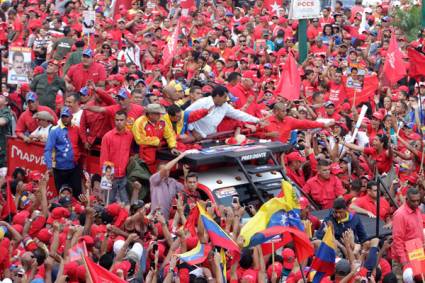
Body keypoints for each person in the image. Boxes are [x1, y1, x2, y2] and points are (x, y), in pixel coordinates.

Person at [185, 85, 263, 140]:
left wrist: (257, 120)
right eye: (225, 97)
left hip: (209, 138)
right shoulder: (202, 102)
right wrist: (193, 131)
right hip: (193, 136)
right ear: (218, 96)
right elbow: (184, 115)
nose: (226, 100)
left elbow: (239, 115)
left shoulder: (224, 105)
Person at [44, 106, 82, 198]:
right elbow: (48, 150)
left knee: (77, 194)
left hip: (74, 168)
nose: (64, 118)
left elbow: (82, 144)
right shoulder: (55, 131)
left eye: (67, 116)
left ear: (71, 117)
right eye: (63, 116)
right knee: (61, 195)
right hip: (60, 169)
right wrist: (49, 167)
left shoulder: (77, 129)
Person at [149, 150, 196, 218]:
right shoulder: (153, 180)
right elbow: (165, 168)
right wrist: (179, 157)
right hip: (156, 219)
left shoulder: (172, 182)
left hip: (168, 220)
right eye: (163, 171)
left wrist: (185, 173)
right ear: (157, 172)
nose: (166, 172)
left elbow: (185, 189)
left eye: (168, 170)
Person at [100, 110, 134, 204]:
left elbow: (130, 154)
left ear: (126, 120)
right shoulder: (107, 137)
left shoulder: (130, 136)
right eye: (117, 120)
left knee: (126, 204)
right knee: (109, 204)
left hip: (124, 176)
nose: (119, 122)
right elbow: (104, 158)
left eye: (121, 120)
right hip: (111, 176)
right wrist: (106, 178)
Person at [132, 104, 177, 172]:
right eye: (158, 114)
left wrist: (173, 146)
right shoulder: (140, 122)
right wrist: (156, 141)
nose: (160, 115)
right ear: (150, 114)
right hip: (145, 152)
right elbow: (139, 139)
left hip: (159, 149)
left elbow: (170, 135)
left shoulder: (162, 121)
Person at [392, 187, 424, 280]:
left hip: (417, 254)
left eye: (418, 200)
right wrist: (404, 262)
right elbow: (397, 240)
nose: (416, 203)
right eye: (413, 201)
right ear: (406, 199)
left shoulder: (417, 210)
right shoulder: (400, 215)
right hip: (403, 259)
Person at [264, 102, 334, 143]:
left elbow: (306, 123)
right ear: (276, 112)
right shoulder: (266, 121)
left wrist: (323, 124)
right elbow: (256, 134)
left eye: (286, 111)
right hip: (268, 151)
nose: (285, 113)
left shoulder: (289, 120)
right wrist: (267, 134)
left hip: (283, 152)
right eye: (283, 111)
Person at [0, 95, 12, 167]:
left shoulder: (6, 111)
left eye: (1, 97)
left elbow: (2, 121)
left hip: (2, 147)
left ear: (6, 102)